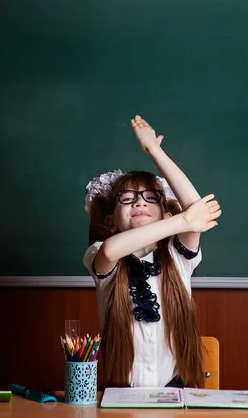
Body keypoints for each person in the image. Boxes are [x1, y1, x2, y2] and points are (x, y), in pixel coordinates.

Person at [83, 115, 221, 389]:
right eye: (127, 198)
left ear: (165, 213)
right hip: (120, 392)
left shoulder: (177, 257)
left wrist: (155, 151)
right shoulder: (101, 252)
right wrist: (183, 220)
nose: (139, 202)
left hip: (175, 388)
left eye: (150, 197)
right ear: (111, 221)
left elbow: (195, 208)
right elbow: (111, 250)